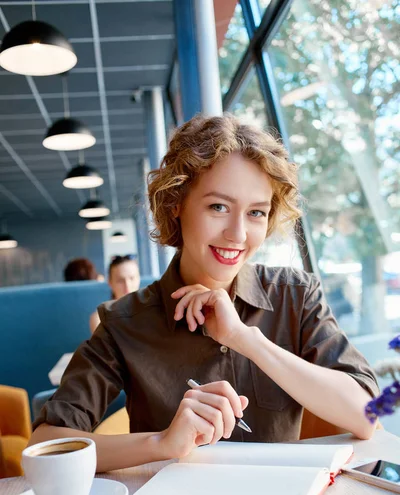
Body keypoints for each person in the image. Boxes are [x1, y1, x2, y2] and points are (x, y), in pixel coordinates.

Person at [30, 114, 379, 472]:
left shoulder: (296, 296)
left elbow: (369, 415)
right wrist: (160, 442)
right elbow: (46, 445)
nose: (238, 234)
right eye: (218, 207)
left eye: (256, 212)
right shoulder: (125, 321)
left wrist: (245, 339)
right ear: (175, 204)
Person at [89, 255, 140, 333]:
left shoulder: (153, 312)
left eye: (132, 278)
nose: (127, 285)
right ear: (110, 282)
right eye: (120, 280)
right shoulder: (100, 319)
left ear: (139, 279)